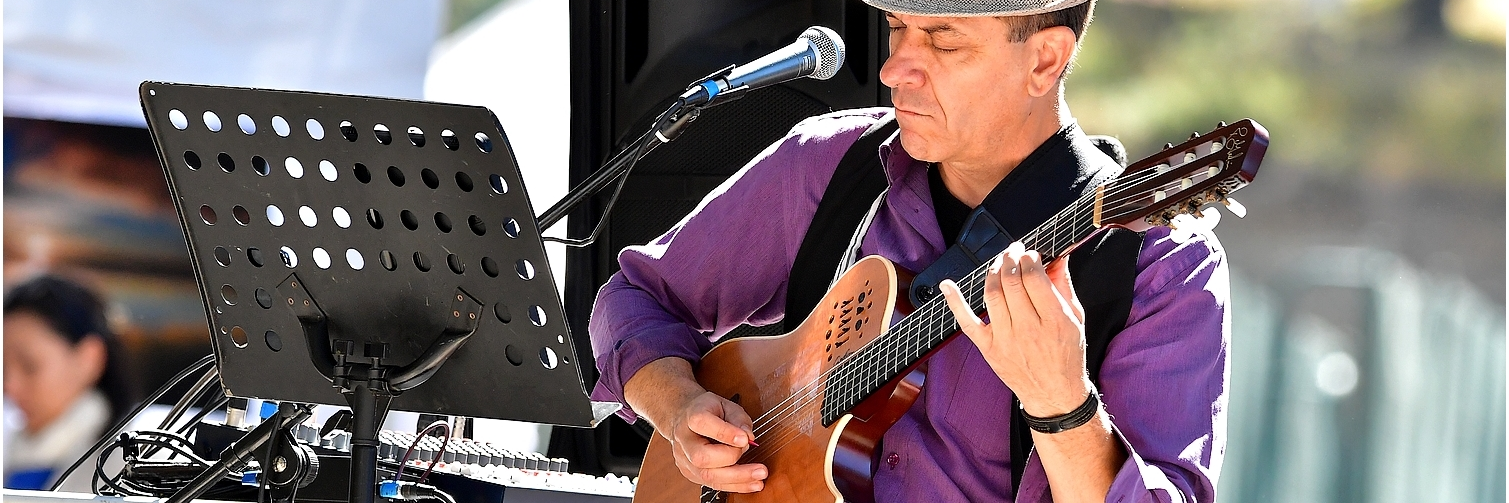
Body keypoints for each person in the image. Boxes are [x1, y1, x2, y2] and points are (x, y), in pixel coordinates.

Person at [588, 0, 1229, 501]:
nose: (894, 68)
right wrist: (679, 409)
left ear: (1044, 60)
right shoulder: (829, 166)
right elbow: (638, 297)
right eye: (897, 29)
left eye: (943, 39)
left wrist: (1064, 405)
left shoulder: (1162, 267)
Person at [4, 275, 137, 490]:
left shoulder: (132, 467)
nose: (9, 387)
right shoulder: (14, 453)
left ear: (88, 358)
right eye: (2, 369)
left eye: (30, 366)